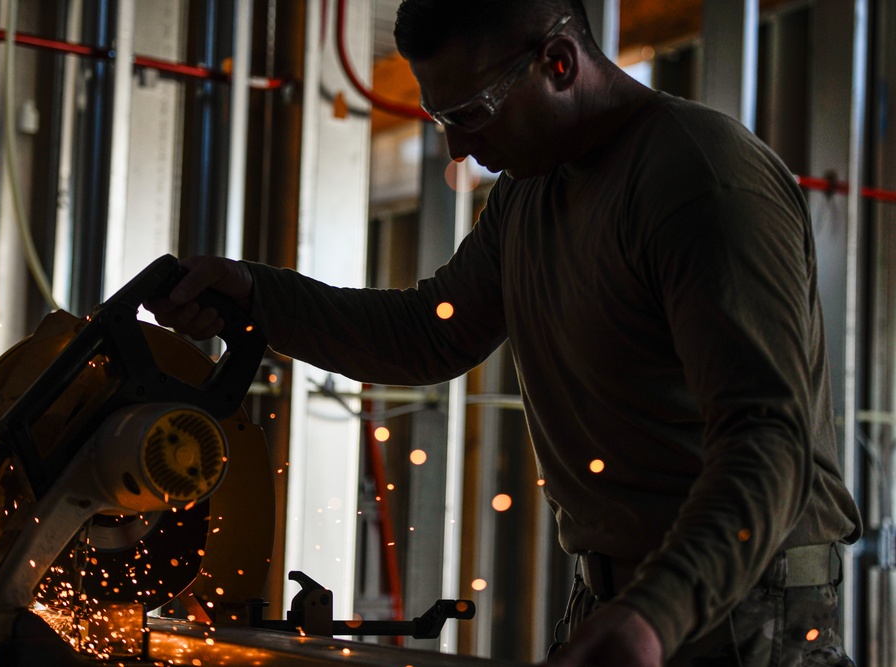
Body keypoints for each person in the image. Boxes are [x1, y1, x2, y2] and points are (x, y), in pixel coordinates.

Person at [148, 1, 863, 664]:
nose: (458, 148)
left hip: (742, 606)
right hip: (627, 593)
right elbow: (429, 333)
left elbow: (767, 442)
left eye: (473, 112)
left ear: (558, 62)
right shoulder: (528, 193)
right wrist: (259, 298)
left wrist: (655, 614)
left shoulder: (699, 181)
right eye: (442, 121)